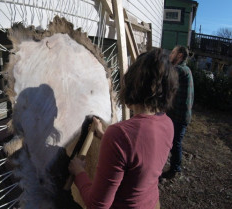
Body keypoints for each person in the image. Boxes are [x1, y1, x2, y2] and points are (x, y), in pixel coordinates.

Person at [68, 48, 178, 209]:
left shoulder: (120, 135)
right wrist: (105, 136)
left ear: (133, 84)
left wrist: (79, 173)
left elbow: (97, 205)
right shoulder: (168, 124)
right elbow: (137, 155)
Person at [162, 46, 194, 179]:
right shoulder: (185, 70)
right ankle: (174, 167)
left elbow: (164, 79)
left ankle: (175, 170)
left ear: (180, 55)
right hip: (179, 115)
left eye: (173, 52)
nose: (170, 54)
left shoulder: (180, 70)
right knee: (174, 142)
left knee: (175, 143)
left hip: (178, 116)